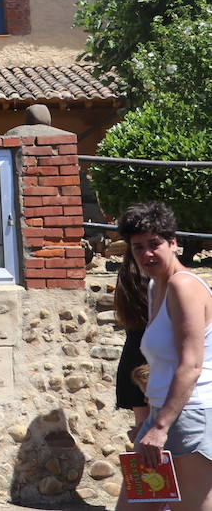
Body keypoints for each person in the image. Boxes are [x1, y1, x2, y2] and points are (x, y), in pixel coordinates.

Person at [121, 201, 212, 510]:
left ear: (173, 243)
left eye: (154, 244)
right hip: (162, 413)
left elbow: (191, 365)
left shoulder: (183, 286)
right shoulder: (155, 286)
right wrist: (151, 418)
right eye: (138, 247)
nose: (146, 254)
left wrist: (160, 428)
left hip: (189, 416)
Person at [115, 246, 151, 438]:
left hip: (133, 354)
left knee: (143, 428)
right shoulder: (158, 279)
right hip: (150, 357)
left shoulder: (126, 275)